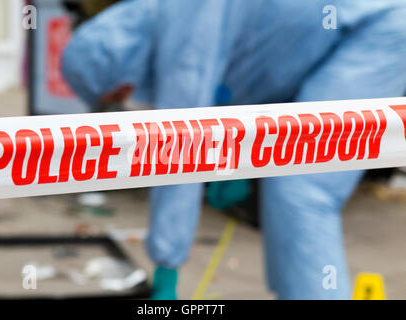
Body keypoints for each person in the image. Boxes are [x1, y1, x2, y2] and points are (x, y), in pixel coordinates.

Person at [62, 0, 406, 299]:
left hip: (373, 29)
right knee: (290, 181)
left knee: (301, 185)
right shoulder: (167, 20)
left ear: (118, 67)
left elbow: (180, 147)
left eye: (116, 94)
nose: (128, 99)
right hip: (343, 36)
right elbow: (249, 80)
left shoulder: (183, 30)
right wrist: (239, 161)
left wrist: (167, 263)